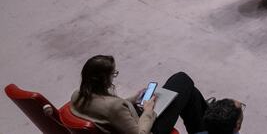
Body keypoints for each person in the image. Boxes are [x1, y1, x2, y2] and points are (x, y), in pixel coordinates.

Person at [69, 55, 212, 134]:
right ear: (104, 79)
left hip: (125, 123)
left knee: (190, 94)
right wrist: (148, 111)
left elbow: (106, 110)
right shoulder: (115, 107)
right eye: (113, 74)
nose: (114, 77)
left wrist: (132, 99)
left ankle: (206, 115)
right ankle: (209, 119)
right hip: (149, 128)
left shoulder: (77, 95)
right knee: (183, 80)